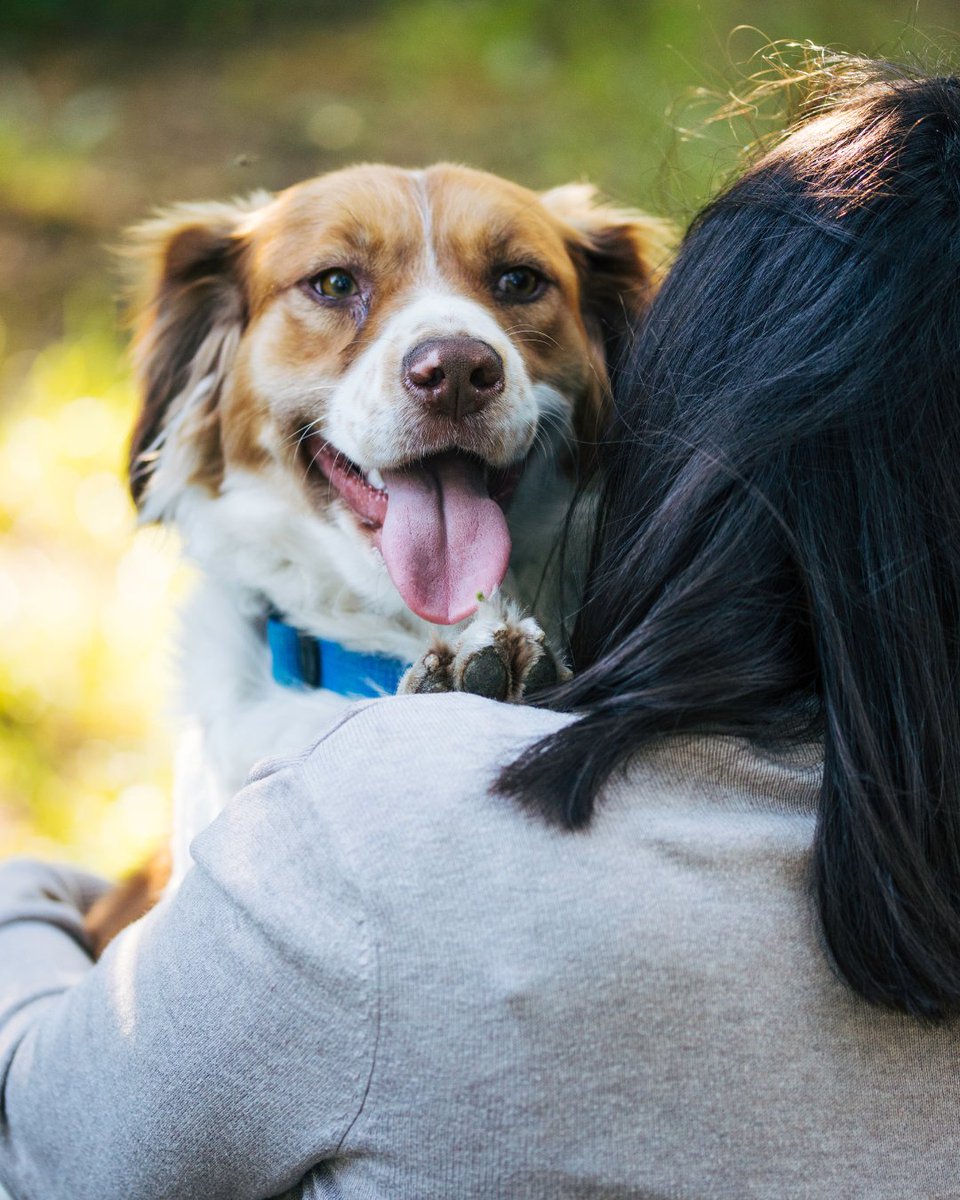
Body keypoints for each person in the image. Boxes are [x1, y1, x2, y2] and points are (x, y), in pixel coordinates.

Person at [3, 57, 960, 1199]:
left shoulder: (353, 849)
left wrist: (28, 896)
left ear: (641, 372)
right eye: (337, 286)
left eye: (515, 284)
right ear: (210, 361)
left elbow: (59, 1148)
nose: (450, 353)